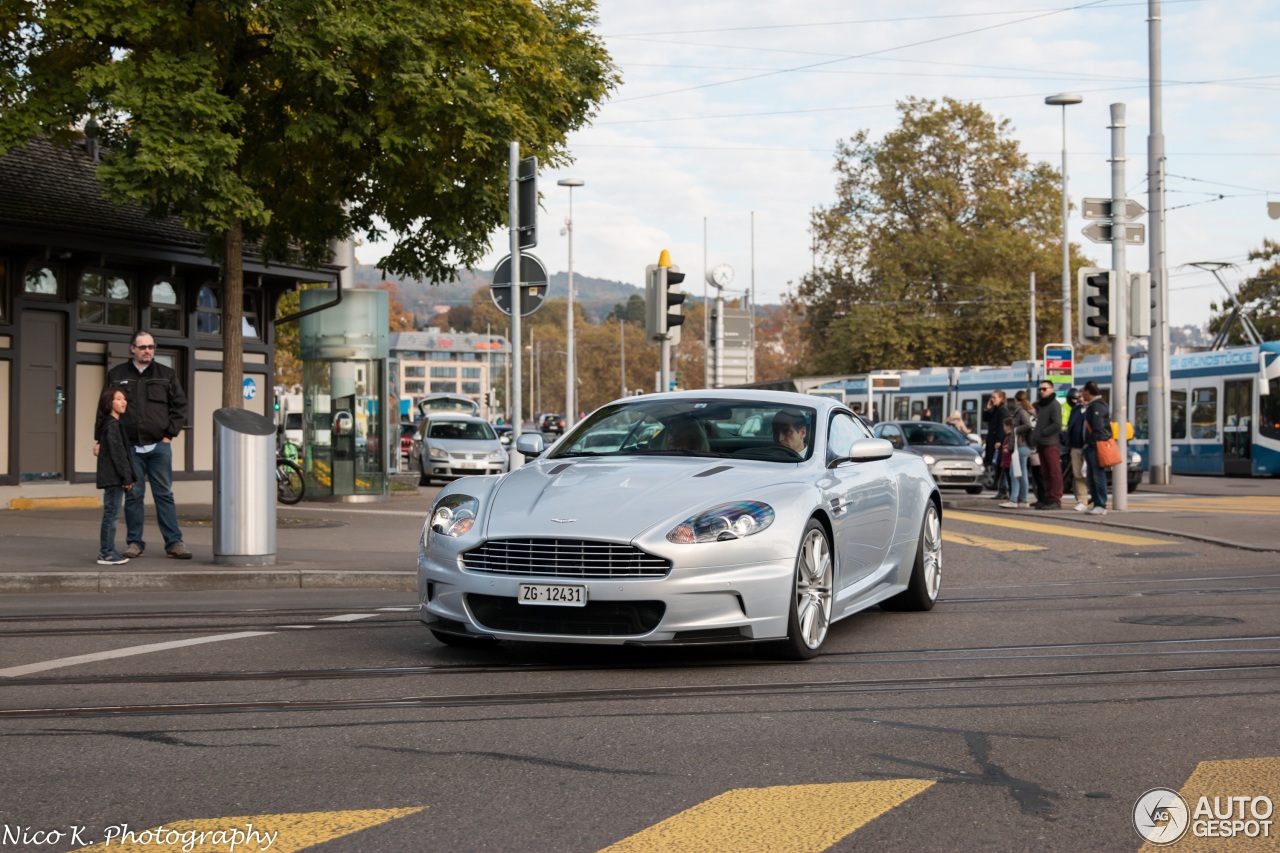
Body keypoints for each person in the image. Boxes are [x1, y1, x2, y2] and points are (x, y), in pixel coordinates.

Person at [94, 330, 191, 559]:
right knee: (134, 495)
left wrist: (169, 435)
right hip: (130, 449)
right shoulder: (116, 374)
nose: (148, 350)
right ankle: (135, 543)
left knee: (164, 494)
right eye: (143, 347)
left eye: (151, 347)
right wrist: (99, 439)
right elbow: (104, 408)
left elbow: (181, 407)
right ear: (132, 349)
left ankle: (174, 543)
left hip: (159, 446)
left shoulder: (166, 374)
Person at [95, 384, 136, 565]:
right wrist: (126, 478)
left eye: (124, 398)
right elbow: (119, 454)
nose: (123, 402)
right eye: (118, 399)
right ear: (109, 403)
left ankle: (108, 550)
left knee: (111, 514)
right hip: (113, 478)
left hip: (112, 477)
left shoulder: (110, 424)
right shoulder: (113, 426)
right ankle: (106, 552)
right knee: (111, 515)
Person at [1031, 380, 1064, 509]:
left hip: (1050, 443)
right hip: (1041, 443)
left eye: (1044, 389)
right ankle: (1046, 497)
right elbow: (1039, 423)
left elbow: (1057, 424)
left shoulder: (1054, 405)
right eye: (1040, 389)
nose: (1041, 391)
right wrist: (1036, 437)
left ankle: (1055, 499)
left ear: (1051, 389)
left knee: (1054, 471)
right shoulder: (1043, 405)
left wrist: (1043, 433)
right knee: (1045, 472)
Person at [1080, 381, 1111, 515]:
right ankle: (1097, 503)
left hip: (1096, 445)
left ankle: (1101, 504)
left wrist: (1091, 442)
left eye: (1082, 391)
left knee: (1098, 476)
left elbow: (1098, 427)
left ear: (1088, 391)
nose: (1081, 394)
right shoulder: (1093, 406)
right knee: (1092, 477)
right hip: (1091, 446)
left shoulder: (1097, 406)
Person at [1000, 391, 1034, 508]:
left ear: (1016, 399)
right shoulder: (1026, 410)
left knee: (1014, 473)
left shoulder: (1021, 411)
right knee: (1022, 473)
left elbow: (1028, 425)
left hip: (1020, 446)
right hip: (1023, 446)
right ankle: (1024, 500)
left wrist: (1016, 430)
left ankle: (1014, 500)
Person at [1064, 387, 1091, 511]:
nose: (1080, 399)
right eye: (1078, 397)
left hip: (1088, 447)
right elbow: (1070, 424)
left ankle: (1097, 499)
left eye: (1081, 397)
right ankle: (1082, 500)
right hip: (1075, 447)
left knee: (1091, 474)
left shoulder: (1092, 409)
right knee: (1078, 474)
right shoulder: (1075, 409)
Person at [983, 391, 1009, 500]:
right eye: (991, 397)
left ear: (1001, 398)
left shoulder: (1002, 410)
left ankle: (1003, 489)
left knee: (1000, 467)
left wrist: (999, 440)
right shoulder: (995, 409)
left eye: (994, 397)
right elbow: (985, 419)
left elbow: (1001, 427)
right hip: (992, 441)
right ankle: (1001, 490)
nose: (992, 399)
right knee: (997, 466)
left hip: (998, 443)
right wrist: (987, 408)